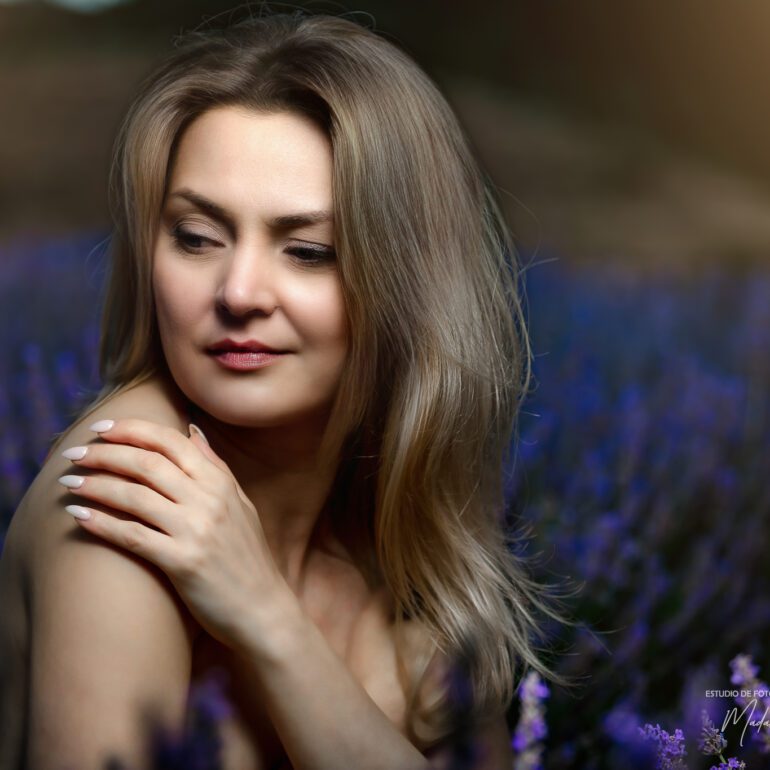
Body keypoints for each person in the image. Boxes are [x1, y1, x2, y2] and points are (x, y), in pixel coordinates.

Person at [0, 9, 574, 770]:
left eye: (308, 251)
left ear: (408, 285)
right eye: (197, 237)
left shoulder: (396, 539)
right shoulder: (123, 497)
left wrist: (270, 623)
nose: (238, 292)